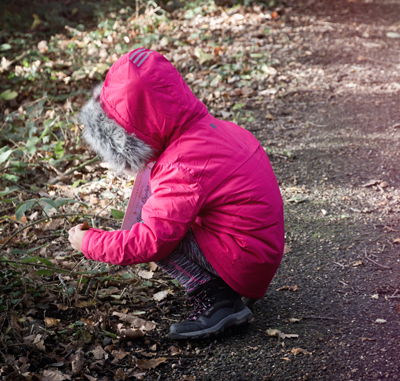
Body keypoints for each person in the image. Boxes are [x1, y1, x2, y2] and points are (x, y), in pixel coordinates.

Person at [68, 47, 285, 340]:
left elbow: (152, 241)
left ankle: (218, 300)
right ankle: (225, 288)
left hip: (245, 264)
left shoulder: (182, 164)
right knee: (165, 215)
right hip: (257, 254)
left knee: (154, 226)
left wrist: (89, 242)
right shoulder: (216, 130)